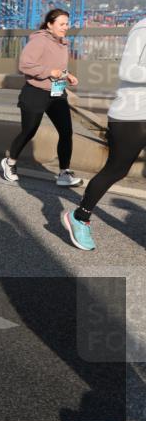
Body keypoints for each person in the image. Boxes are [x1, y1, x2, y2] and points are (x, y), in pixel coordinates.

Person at [61, 16, 146, 250]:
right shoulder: (143, 28)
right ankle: (79, 217)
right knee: (117, 170)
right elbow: (127, 71)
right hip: (132, 114)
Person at [0, 9, 82, 187]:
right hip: (36, 92)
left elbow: (56, 66)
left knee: (66, 132)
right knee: (29, 131)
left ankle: (63, 173)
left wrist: (67, 75)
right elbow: (25, 64)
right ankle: (10, 162)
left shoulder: (63, 43)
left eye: (67, 24)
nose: (65, 27)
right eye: (62, 24)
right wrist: (48, 72)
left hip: (57, 92)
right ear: (50, 25)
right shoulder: (39, 40)